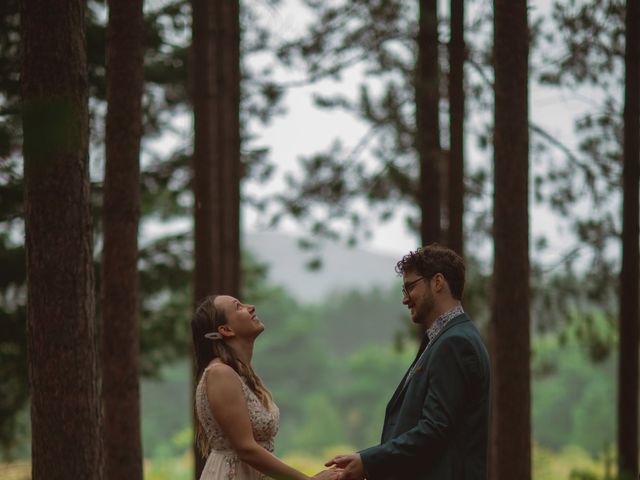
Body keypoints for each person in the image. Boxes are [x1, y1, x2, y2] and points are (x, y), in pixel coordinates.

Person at [326, 244, 490, 480]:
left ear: (437, 282)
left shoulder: (455, 343)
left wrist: (367, 462)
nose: (405, 299)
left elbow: (434, 430)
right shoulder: (444, 339)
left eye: (410, 287)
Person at [192, 294, 339, 480]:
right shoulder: (220, 374)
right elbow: (246, 449)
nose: (251, 307)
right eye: (238, 307)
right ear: (226, 330)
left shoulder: (241, 375)